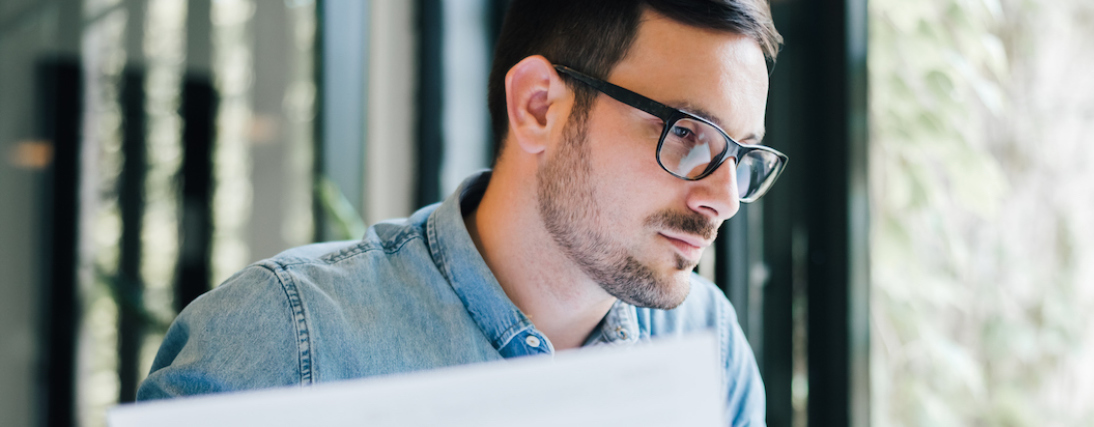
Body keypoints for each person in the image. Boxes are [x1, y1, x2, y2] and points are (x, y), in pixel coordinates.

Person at [138, 1, 786, 425]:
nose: (723, 196)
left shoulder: (708, 344)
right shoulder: (284, 339)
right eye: (686, 133)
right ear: (538, 106)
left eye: (741, 154)